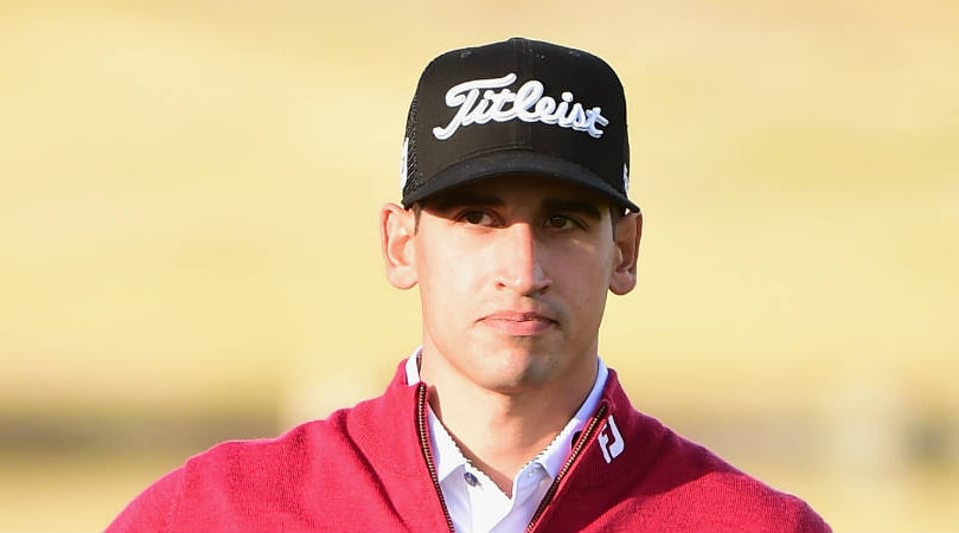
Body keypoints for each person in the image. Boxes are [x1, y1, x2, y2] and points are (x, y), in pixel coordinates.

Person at [106, 37, 829, 533]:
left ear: (625, 252)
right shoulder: (219, 512)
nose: (523, 270)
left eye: (564, 221)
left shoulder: (753, 526)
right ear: (401, 245)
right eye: (477, 218)